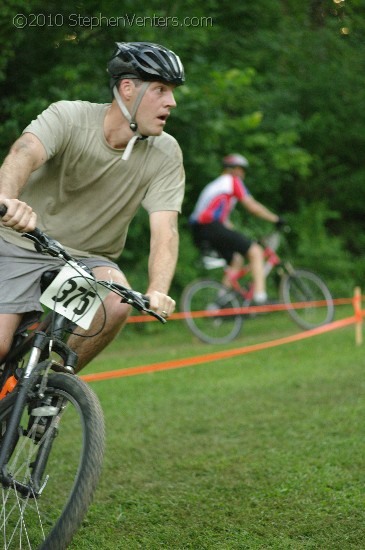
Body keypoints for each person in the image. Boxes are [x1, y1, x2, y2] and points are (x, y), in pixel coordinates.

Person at [0, 41, 185, 372]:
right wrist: (7, 200)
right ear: (128, 89)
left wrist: (158, 289)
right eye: (160, 89)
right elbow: (24, 152)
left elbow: (165, 230)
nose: (171, 102)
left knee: (117, 303)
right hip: (21, 243)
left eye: (171, 92)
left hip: (85, 260)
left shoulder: (165, 152)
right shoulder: (69, 117)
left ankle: (51, 388)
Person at [189, 153, 283, 304]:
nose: (243, 174)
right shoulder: (232, 181)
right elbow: (252, 207)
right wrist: (275, 218)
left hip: (199, 230)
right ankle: (260, 297)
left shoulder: (215, 185)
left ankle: (222, 302)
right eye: (242, 170)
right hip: (211, 227)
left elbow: (221, 220)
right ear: (234, 170)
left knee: (236, 260)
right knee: (256, 252)